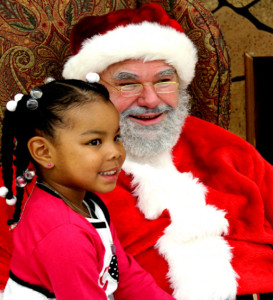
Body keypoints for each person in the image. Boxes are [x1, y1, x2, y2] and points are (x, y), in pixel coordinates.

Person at [61, 3, 273, 300]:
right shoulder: (58, 164)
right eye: (128, 84)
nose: (150, 100)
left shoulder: (221, 145)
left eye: (164, 80)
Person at [0, 76, 175, 300]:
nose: (115, 152)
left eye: (116, 137)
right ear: (44, 152)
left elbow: (124, 273)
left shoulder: (87, 204)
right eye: (94, 142)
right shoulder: (64, 234)